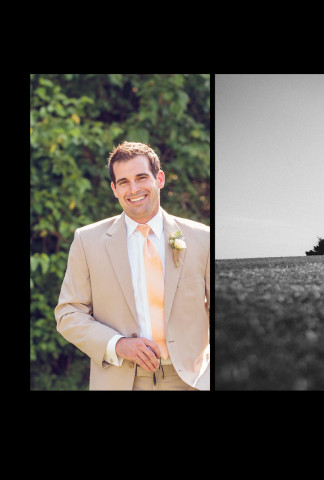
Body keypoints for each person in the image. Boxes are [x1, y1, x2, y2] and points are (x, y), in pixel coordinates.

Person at [55, 141, 210, 390]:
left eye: (141, 177)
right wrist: (117, 344)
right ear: (114, 189)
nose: (134, 188)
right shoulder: (87, 241)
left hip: (190, 380)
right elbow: (68, 314)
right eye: (124, 182)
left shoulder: (203, 238)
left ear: (159, 179)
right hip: (120, 380)